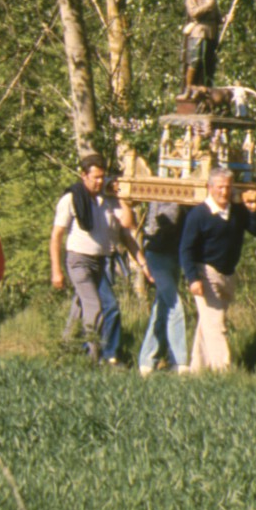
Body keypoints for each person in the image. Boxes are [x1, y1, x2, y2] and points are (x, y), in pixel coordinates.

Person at [50, 155, 135, 364]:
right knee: (94, 307)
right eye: (94, 177)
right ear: (83, 176)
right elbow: (56, 236)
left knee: (80, 306)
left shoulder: (105, 200)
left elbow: (127, 223)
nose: (98, 182)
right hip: (78, 260)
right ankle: (94, 357)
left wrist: (121, 198)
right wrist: (56, 271)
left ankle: (64, 350)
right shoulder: (71, 200)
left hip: (100, 261)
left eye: (101, 177)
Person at [179, 170, 256, 373]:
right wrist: (192, 278)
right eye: (220, 186)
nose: (224, 191)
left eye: (228, 186)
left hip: (228, 273)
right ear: (210, 188)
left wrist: (254, 211)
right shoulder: (198, 214)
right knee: (216, 323)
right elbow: (186, 248)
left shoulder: (236, 211)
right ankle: (223, 370)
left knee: (208, 324)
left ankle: (197, 370)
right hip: (205, 272)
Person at [135, 201, 189, 374]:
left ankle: (147, 360)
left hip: (175, 254)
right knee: (175, 305)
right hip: (157, 254)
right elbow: (159, 223)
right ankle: (179, 362)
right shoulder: (163, 193)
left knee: (162, 306)